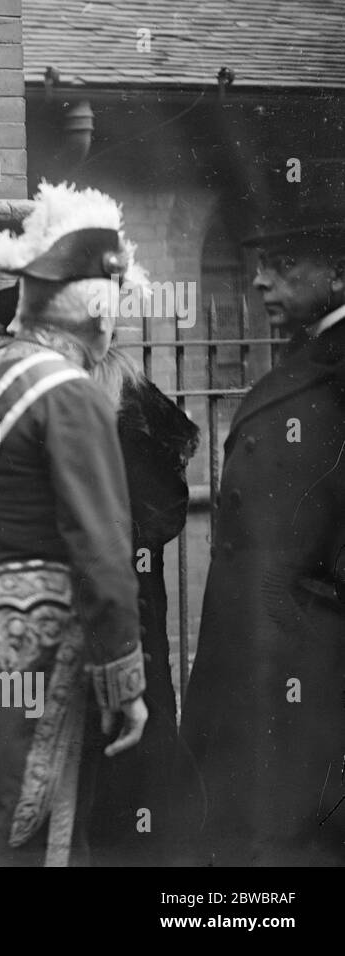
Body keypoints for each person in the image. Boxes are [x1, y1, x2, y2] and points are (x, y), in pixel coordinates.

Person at [0, 182, 149, 867]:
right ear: (99, 313)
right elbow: (103, 554)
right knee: (50, 832)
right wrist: (125, 684)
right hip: (49, 648)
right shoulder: (72, 397)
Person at [0, 284, 199, 866]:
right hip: (41, 623)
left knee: (119, 776)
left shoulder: (126, 405)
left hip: (114, 616)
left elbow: (157, 515)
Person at [179, 209, 345, 866]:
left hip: (311, 661)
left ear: (337, 273)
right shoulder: (310, 354)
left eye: (281, 266)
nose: (259, 282)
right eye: (258, 266)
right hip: (270, 659)